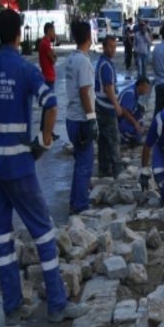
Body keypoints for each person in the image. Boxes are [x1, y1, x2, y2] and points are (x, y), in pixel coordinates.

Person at [0, 9, 86, 325]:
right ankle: (56, 305)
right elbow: (50, 104)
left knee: (2, 239)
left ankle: (12, 309)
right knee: (44, 234)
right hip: (20, 168)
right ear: (18, 33)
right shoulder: (24, 71)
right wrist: (44, 140)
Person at [64, 21, 98, 214]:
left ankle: (75, 201)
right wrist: (92, 119)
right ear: (88, 37)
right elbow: (85, 92)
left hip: (72, 117)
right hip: (81, 119)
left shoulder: (71, 59)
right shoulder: (83, 62)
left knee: (79, 162)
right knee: (85, 164)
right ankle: (80, 206)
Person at [94, 35, 124, 178]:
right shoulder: (106, 65)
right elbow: (108, 88)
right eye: (111, 47)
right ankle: (117, 170)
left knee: (104, 140)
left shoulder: (103, 62)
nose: (113, 49)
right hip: (106, 107)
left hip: (100, 105)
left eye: (115, 46)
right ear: (104, 47)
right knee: (113, 138)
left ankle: (104, 169)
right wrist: (116, 105)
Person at [117, 77, 150, 146]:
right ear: (140, 86)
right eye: (146, 88)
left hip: (123, 116)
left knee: (140, 113)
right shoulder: (130, 93)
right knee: (135, 131)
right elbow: (125, 111)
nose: (147, 91)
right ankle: (122, 135)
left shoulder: (135, 91)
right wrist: (135, 123)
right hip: (118, 119)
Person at [38, 22, 57, 131]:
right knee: (49, 105)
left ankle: (46, 128)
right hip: (48, 77)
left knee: (48, 105)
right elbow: (53, 59)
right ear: (49, 31)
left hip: (47, 76)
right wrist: (54, 55)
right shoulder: (45, 43)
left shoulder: (45, 43)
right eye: (53, 31)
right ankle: (46, 129)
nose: (55, 34)